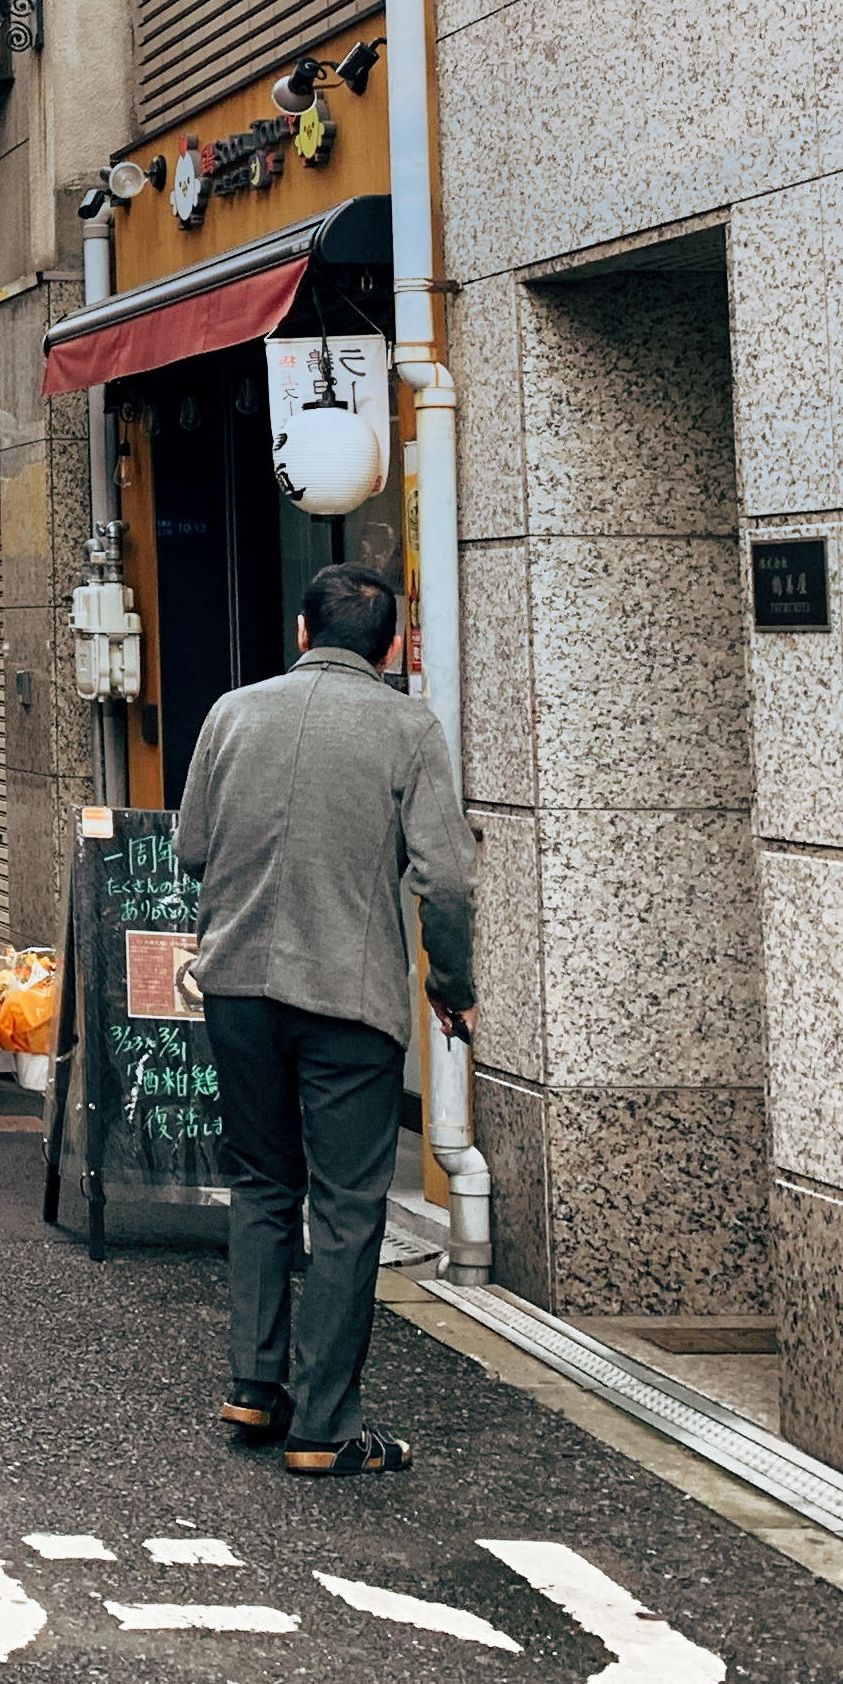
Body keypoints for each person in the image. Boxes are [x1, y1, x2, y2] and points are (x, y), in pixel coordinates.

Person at [173, 559, 476, 1479]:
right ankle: (326, 1424)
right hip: (348, 997)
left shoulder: (232, 713)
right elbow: (450, 878)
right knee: (347, 1207)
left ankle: (254, 1386)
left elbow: (190, 847)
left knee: (264, 1182)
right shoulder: (407, 728)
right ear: (386, 649)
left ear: (303, 634)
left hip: (236, 987)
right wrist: (449, 983)